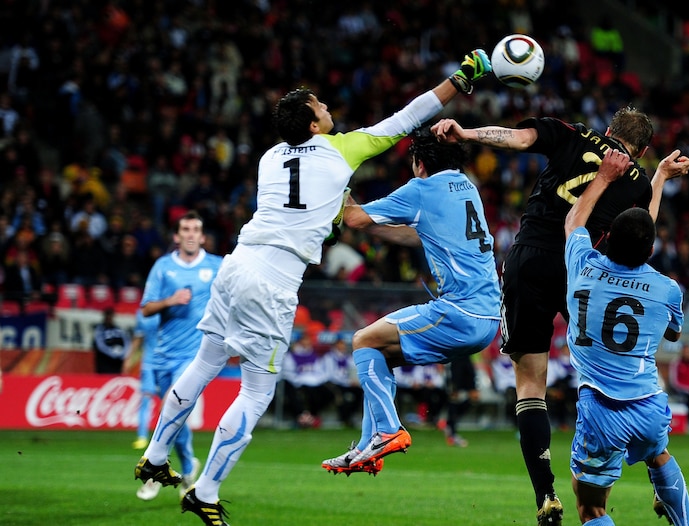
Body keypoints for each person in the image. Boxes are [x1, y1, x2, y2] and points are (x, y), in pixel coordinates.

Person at [133, 49, 492, 526]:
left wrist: (333, 213)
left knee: (206, 360)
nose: (327, 107)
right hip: (274, 280)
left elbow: (309, 209)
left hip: (237, 262)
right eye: (320, 105)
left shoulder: (269, 158)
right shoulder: (343, 149)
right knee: (256, 392)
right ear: (314, 125)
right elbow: (408, 117)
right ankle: (207, 491)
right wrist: (461, 79)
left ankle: (156, 456)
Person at [432, 106, 689, 525]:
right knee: (617, 362)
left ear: (608, 131)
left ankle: (546, 495)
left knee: (530, 386)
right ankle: (654, 461)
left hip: (532, 259)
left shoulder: (571, 133)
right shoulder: (638, 181)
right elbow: (642, 230)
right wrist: (657, 178)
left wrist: (465, 133)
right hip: (586, 276)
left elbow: (515, 138)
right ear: (642, 150)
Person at [320, 126, 500, 476]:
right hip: (489, 317)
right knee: (379, 352)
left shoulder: (422, 188)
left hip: (458, 312)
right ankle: (365, 447)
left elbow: (353, 216)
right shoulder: (467, 188)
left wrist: (333, 182)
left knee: (362, 340)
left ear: (419, 163)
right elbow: (420, 232)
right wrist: (372, 226)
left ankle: (387, 430)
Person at [563, 148, 689, 526]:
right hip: (649, 406)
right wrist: (659, 181)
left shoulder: (583, 266)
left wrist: (603, 178)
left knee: (591, 508)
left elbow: (574, 222)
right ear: (650, 250)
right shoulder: (667, 289)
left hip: (601, 409)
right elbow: (672, 333)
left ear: (606, 241)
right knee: (659, 456)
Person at [134, 211, 222, 501]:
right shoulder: (162, 267)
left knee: (174, 405)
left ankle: (154, 472)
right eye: (185, 229)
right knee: (172, 415)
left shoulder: (217, 266)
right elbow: (145, 308)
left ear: (202, 236)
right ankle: (186, 467)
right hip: (162, 354)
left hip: (194, 355)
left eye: (196, 228)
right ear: (176, 236)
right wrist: (170, 300)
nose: (191, 234)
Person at [122, 308, 161, 450]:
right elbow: (138, 337)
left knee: (170, 401)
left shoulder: (171, 308)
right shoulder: (143, 312)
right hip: (149, 363)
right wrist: (129, 358)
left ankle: (168, 436)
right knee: (145, 398)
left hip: (168, 363)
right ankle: (142, 436)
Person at [92, 306, 131, 374]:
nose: (109, 317)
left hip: (117, 364)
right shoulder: (100, 330)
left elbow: (127, 342)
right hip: (104, 364)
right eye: (107, 315)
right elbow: (99, 345)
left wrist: (122, 353)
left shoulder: (118, 330)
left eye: (111, 315)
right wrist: (112, 352)